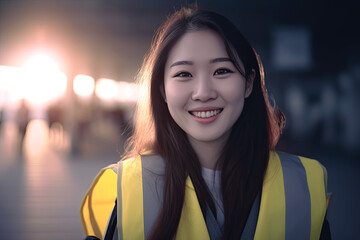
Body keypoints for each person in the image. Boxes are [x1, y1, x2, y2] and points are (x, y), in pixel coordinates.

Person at [80, 7, 331, 240]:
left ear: (248, 83)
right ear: (162, 90)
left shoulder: (303, 186)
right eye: (183, 74)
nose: (203, 92)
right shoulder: (125, 188)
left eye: (221, 71)